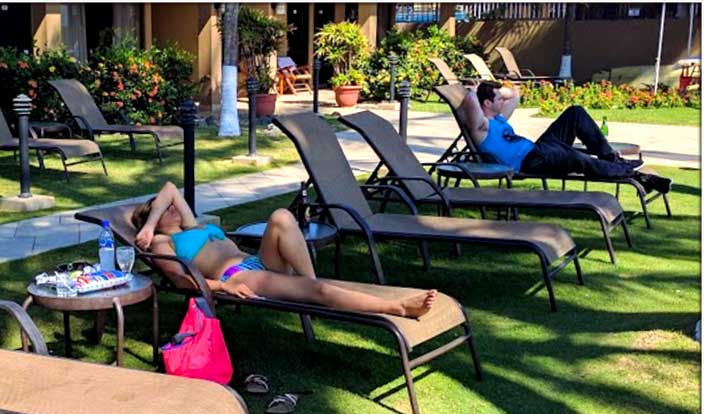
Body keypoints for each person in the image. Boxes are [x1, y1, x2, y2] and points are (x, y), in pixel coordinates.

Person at [132, 182, 437, 318]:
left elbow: (170, 188)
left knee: (280, 216)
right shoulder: (163, 242)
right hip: (238, 277)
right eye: (162, 211)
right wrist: (222, 286)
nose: (172, 208)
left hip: (256, 260)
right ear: (153, 221)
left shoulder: (191, 226)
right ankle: (397, 308)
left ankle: (312, 286)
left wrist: (151, 219)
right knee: (315, 291)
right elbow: (180, 281)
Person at [463, 81, 673, 194]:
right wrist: (474, 90)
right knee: (577, 159)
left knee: (575, 112)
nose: (503, 101)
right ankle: (635, 175)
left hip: (539, 149)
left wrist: (491, 88)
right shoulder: (482, 127)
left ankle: (611, 158)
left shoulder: (499, 118)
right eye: (498, 99)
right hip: (529, 163)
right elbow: (471, 98)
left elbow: (515, 94)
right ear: (487, 104)